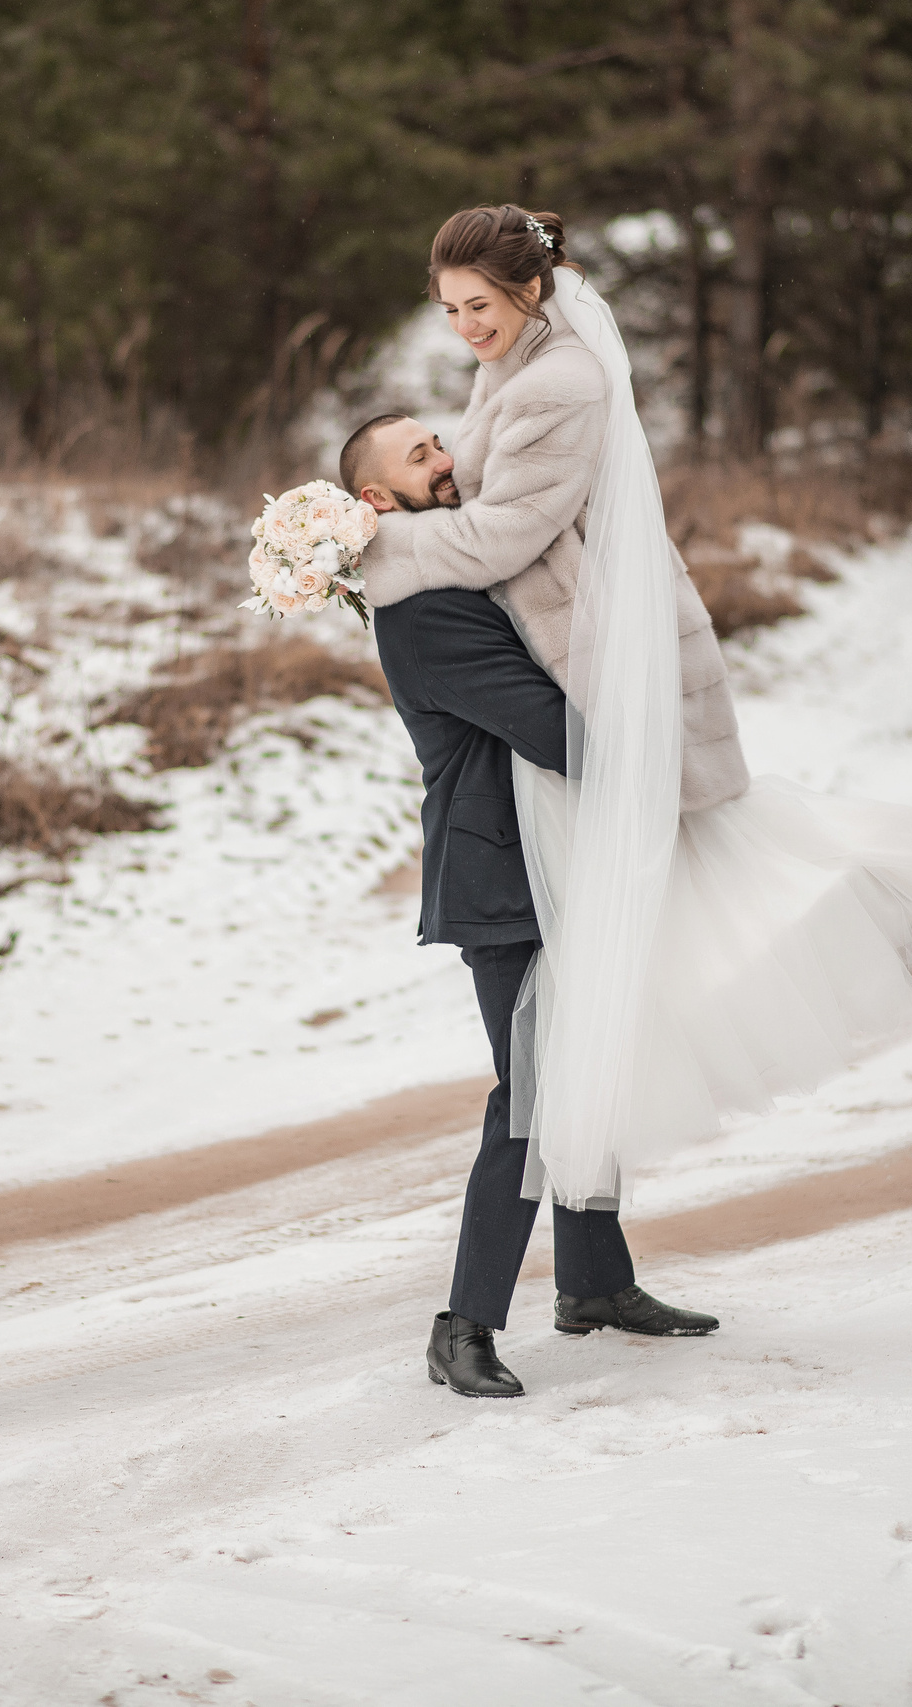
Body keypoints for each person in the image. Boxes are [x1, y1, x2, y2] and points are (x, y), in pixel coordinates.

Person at [361, 205, 912, 1234]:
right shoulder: (512, 369)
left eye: (479, 305)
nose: (465, 326)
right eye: (450, 310)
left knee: (703, 844)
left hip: (598, 645)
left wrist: (375, 553)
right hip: (576, 634)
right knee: (691, 868)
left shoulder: (559, 383)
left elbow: (503, 535)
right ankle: (595, 1280)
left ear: (528, 289)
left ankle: (881, 888)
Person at [341, 412, 719, 1401]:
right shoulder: (422, 610)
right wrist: (646, 740)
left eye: (439, 441)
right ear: (376, 499)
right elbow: (549, 724)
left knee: (586, 1066)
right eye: (419, 457)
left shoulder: (465, 570)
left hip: (564, 858)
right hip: (504, 877)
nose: (445, 459)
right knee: (533, 1094)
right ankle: (461, 1325)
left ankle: (594, 1283)